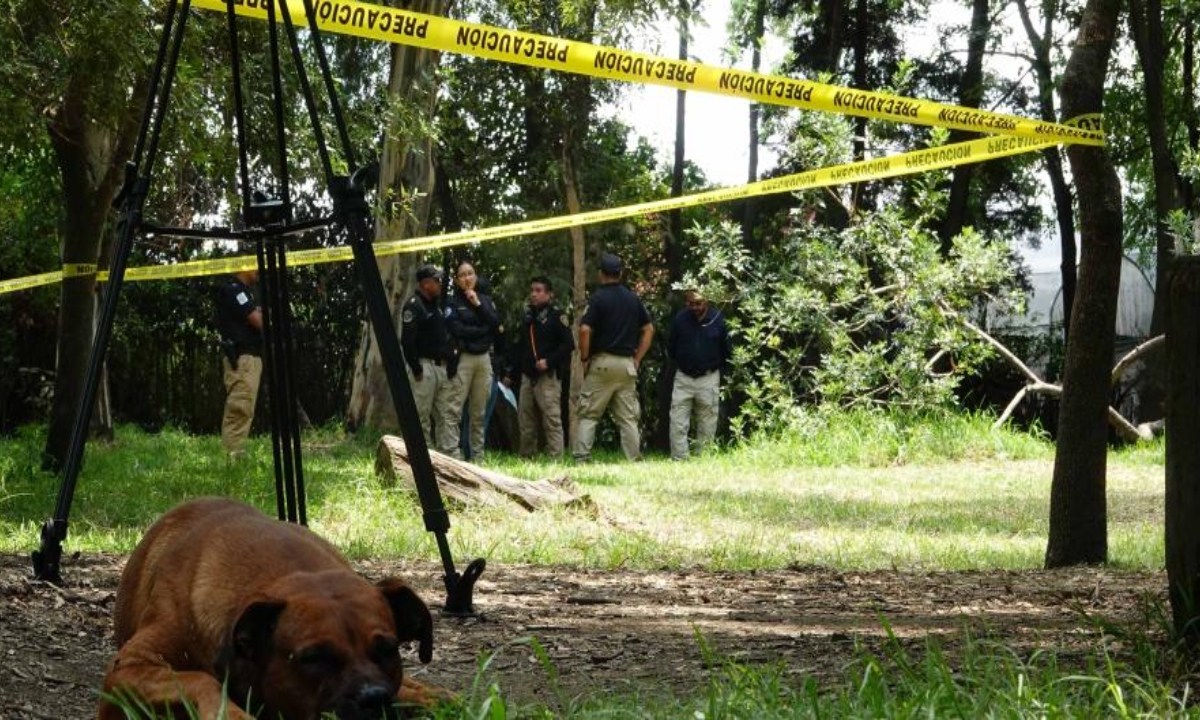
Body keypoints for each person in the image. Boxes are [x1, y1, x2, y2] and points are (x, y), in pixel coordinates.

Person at [573, 253, 653, 462]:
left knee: (589, 414)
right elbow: (649, 329)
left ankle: (582, 457)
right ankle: (634, 459)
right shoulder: (632, 298)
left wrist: (584, 358)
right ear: (620, 273)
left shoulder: (598, 299)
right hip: (627, 365)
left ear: (601, 274)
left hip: (602, 363)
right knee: (628, 418)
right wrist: (637, 358)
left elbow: (584, 330)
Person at [667, 287, 732, 460]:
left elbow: (726, 351)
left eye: (698, 303)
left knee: (707, 423)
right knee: (678, 421)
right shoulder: (680, 319)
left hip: (708, 377)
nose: (694, 307)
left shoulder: (718, 319)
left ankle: (704, 458)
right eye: (690, 303)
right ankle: (679, 459)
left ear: (707, 301)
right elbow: (671, 348)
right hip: (684, 376)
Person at [444, 260, 500, 460]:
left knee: (478, 412)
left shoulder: (484, 299)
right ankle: (452, 454)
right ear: (457, 280)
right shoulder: (452, 302)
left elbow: (495, 324)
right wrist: (481, 331)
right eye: (463, 275)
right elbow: (456, 329)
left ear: (475, 276)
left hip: (483, 360)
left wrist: (477, 304)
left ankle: (478, 456)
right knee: (454, 410)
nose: (467, 278)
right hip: (463, 358)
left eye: (471, 273)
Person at [514, 275, 574, 458]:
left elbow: (569, 344)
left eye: (539, 291)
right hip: (528, 375)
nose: (534, 294)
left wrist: (549, 361)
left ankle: (556, 456)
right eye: (532, 290)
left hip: (548, 376)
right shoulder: (528, 317)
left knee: (551, 419)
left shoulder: (557, 316)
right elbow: (520, 346)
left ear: (549, 294)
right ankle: (527, 455)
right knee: (525, 418)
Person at [401, 264, 455, 450]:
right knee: (421, 416)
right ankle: (424, 459)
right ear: (425, 284)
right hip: (424, 369)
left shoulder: (436, 306)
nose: (440, 284)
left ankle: (449, 458)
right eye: (436, 280)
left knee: (446, 416)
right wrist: (416, 369)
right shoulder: (414, 306)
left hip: (441, 369)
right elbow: (407, 341)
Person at [215, 269, 263, 459]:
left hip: (247, 359)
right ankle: (231, 458)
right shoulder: (235, 290)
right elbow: (257, 321)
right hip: (242, 359)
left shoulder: (243, 292)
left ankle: (236, 455)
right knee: (239, 408)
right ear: (243, 266)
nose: (258, 271)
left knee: (244, 409)